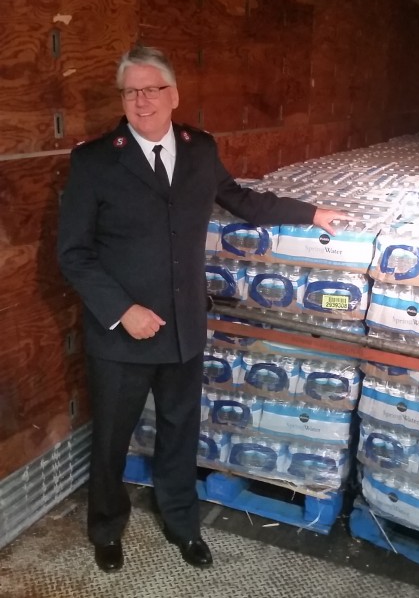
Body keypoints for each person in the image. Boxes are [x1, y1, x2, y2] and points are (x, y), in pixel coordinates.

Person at [57, 45, 344, 573]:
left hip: (183, 327)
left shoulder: (199, 149)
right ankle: (107, 528)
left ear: (174, 95)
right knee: (111, 440)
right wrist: (123, 310)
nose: (142, 101)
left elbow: (242, 200)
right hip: (120, 336)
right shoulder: (95, 161)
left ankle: (182, 523)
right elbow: (74, 253)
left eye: (152, 89)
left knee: (180, 432)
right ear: (122, 99)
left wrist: (312, 213)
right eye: (131, 92)